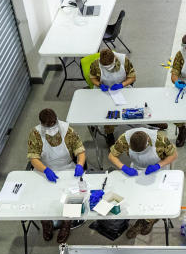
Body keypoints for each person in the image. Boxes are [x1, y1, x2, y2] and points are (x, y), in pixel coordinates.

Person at [27, 108, 86, 243]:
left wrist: (80, 165)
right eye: (48, 125)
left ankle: (66, 224)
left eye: (54, 123)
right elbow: (33, 158)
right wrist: (45, 170)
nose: (52, 127)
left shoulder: (67, 130)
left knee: (73, 196)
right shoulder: (35, 134)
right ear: (41, 124)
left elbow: (80, 150)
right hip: (45, 169)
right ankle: (46, 223)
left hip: (67, 168)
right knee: (42, 197)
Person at [107, 128, 177, 239]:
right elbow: (112, 156)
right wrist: (123, 167)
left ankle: (147, 220)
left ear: (148, 140)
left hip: (158, 170)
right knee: (134, 196)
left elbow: (173, 155)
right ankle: (142, 216)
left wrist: (158, 165)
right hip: (136, 170)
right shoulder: (124, 139)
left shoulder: (160, 139)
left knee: (155, 197)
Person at [89, 48, 136, 147]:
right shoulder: (95, 64)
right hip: (104, 90)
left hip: (122, 89)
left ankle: (150, 124)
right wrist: (99, 84)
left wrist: (122, 85)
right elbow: (92, 77)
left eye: (109, 66)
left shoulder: (124, 60)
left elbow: (132, 77)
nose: (107, 68)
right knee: (106, 112)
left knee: (132, 108)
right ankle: (109, 133)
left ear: (114, 58)